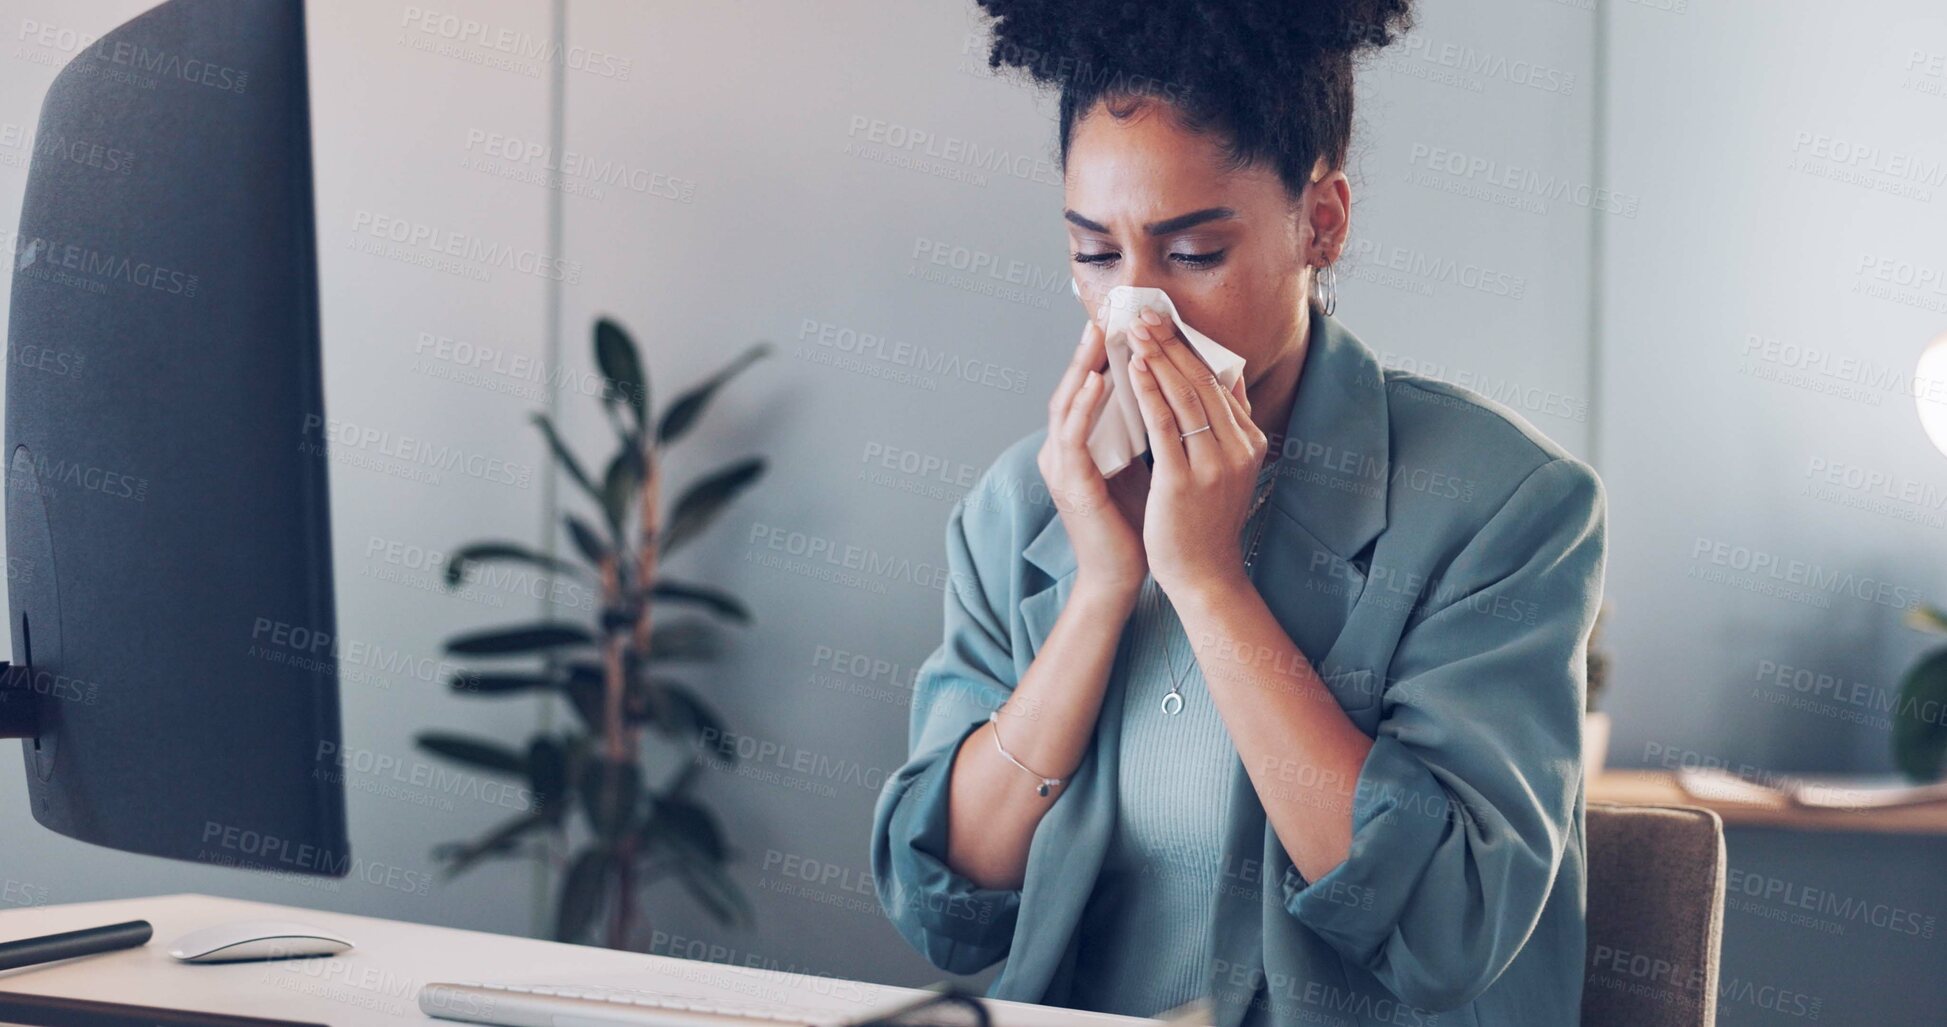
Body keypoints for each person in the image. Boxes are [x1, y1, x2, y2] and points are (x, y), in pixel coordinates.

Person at [870, 3, 1608, 1025]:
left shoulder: (1503, 506)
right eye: (1095, 254)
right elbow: (939, 904)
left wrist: (1209, 583)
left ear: (1323, 222)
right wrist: (1100, 591)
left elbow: (1453, 930)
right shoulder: (1021, 506)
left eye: (1193, 254)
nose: (1137, 313)